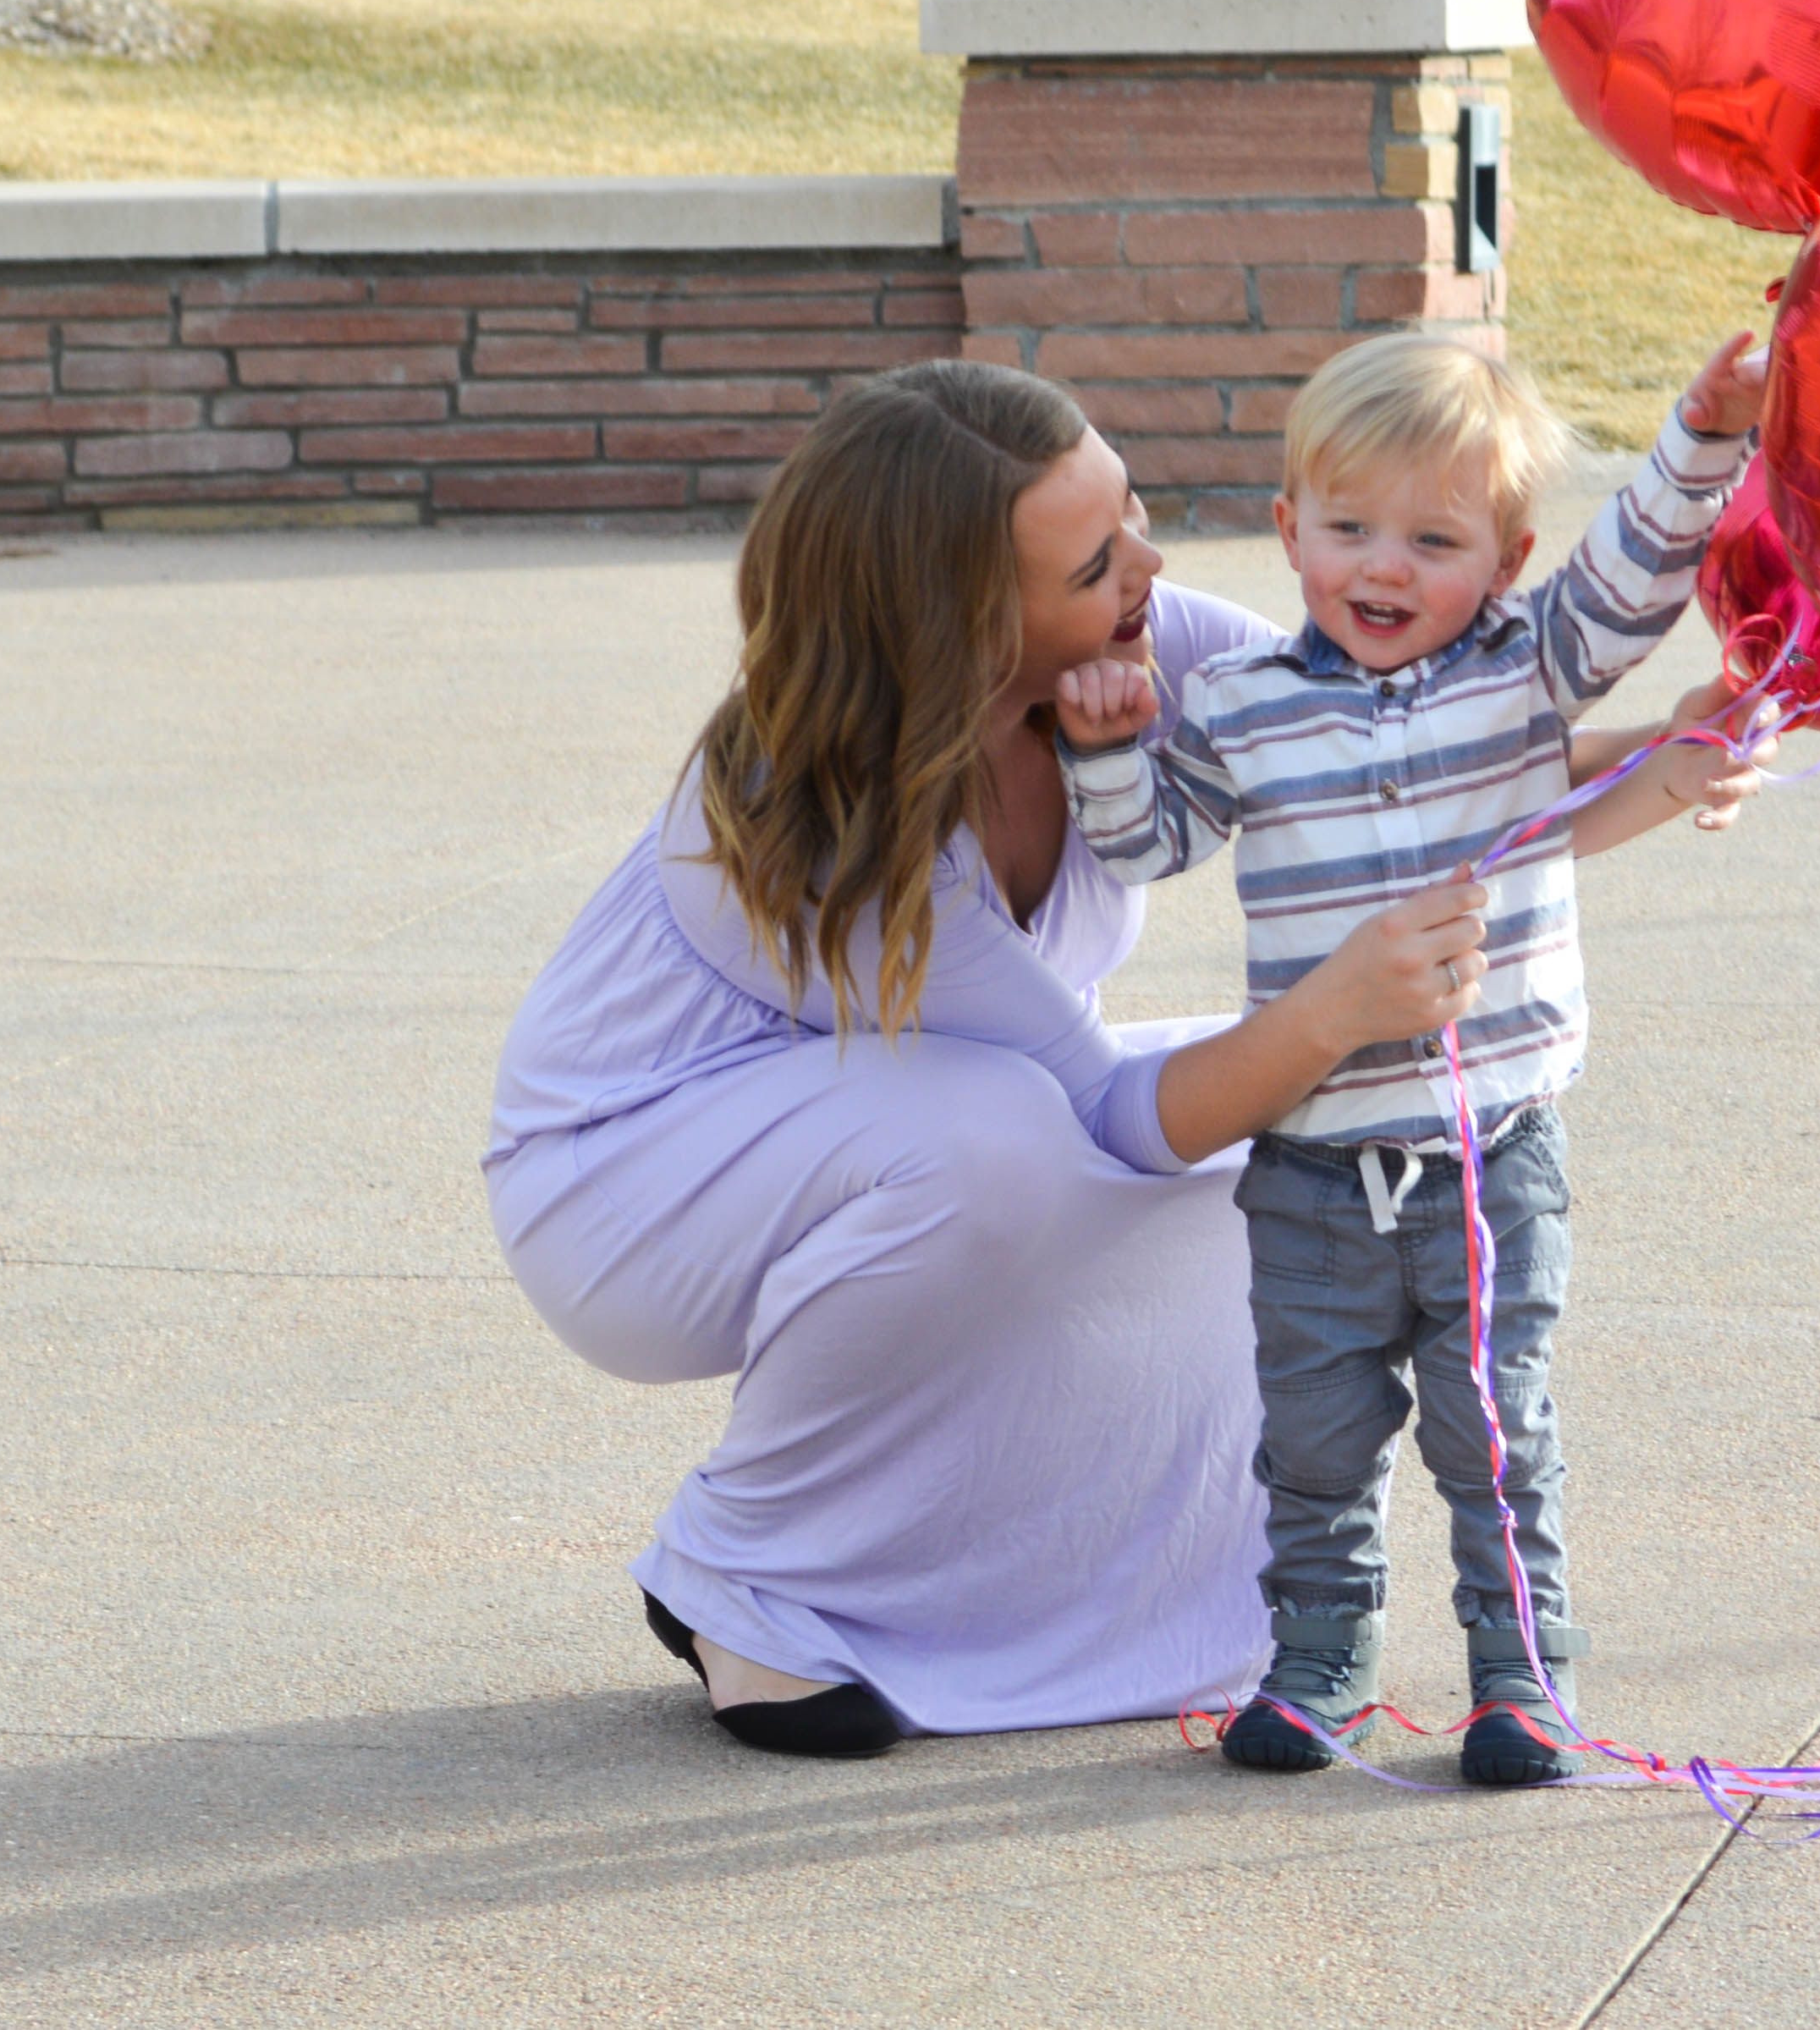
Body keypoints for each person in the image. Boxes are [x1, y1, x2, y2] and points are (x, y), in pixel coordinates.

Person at [485, 360, 1516, 1760]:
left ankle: (1108, 1590)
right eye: (1098, 561)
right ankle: (738, 1576)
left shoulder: (1143, 646)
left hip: (908, 1132)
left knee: (1276, 1131)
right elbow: (1104, 1116)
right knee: (1000, 1142)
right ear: (967, 628)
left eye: (1134, 512)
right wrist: (1331, 1011)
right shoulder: (824, 823)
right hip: (624, 1186)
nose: (1152, 563)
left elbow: (1395, 729)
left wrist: (1698, 731)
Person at [1053, 328, 1773, 1785]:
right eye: (1349, 528)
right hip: (1313, 1170)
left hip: (1487, 1155)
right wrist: (1111, 747)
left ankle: (1524, 1683)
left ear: (1505, 561)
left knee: (1493, 1434)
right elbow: (1151, 842)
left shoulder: (1527, 671)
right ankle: (1318, 1668)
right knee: (1315, 1447)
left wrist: (1704, 426)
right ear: (1288, 532)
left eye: (1435, 540)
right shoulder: (1248, 701)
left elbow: (1635, 576)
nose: (1385, 567)